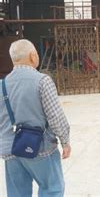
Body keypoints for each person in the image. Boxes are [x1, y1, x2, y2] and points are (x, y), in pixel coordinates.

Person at [0, 39, 71, 197]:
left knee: (17, 194)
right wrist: (65, 141)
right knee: (52, 189)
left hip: (10, 151)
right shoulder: (42, 81)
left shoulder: (1, 85)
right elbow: (55, 116)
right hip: (39, 148)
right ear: (33, 56)